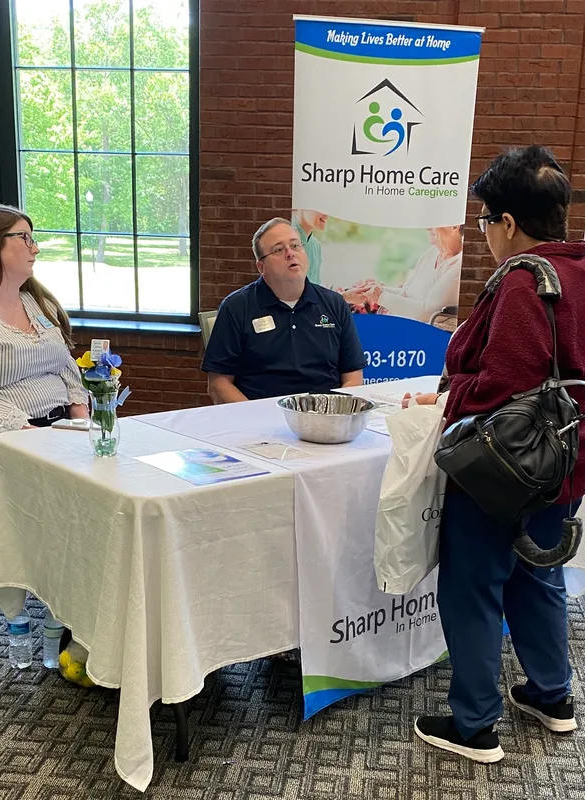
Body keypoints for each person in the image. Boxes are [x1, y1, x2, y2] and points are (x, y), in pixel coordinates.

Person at [406, 146, 585, 762]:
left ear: (509, 222)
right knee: (539, 573)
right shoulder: (581, 270)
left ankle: (475, 724)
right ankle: (551, 694)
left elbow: (501, 385)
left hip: (503, 467)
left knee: (473, 584)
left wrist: (449, 403)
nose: (482, 234)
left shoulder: (521, 280)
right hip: (565, 462)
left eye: (485, 221)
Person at [202, 217, 365, 403]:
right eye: (278, 250)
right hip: (259, 421)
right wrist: (254, 419)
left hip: (324, 418)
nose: (290, 254)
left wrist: (332, 415)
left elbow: (353, 376)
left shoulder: (335, 304)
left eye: (296, 246)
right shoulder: (236, 307)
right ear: (261, 267)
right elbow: (218, 384)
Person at [0, 204, 89, 458]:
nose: (35, 248)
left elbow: (65, 364)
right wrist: (32, 438)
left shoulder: (39, 303)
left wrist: (82, 423)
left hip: (62, 431)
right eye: (24, 238)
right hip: (11, 441)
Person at [355, 226, 463, 322]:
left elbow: (428, 312)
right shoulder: (431, 253)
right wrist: (377, 290)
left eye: (436, 223)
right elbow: (406, 292)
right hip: (405, 326)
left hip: (423, 335)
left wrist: (381, 297)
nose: (428, 228)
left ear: (454, 226)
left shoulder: (458, 266)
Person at [292, 209, 328, 285]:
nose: (326, 215)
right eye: (319, 207)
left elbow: (315, 288)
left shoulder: (316, 245)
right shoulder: (288, 240)